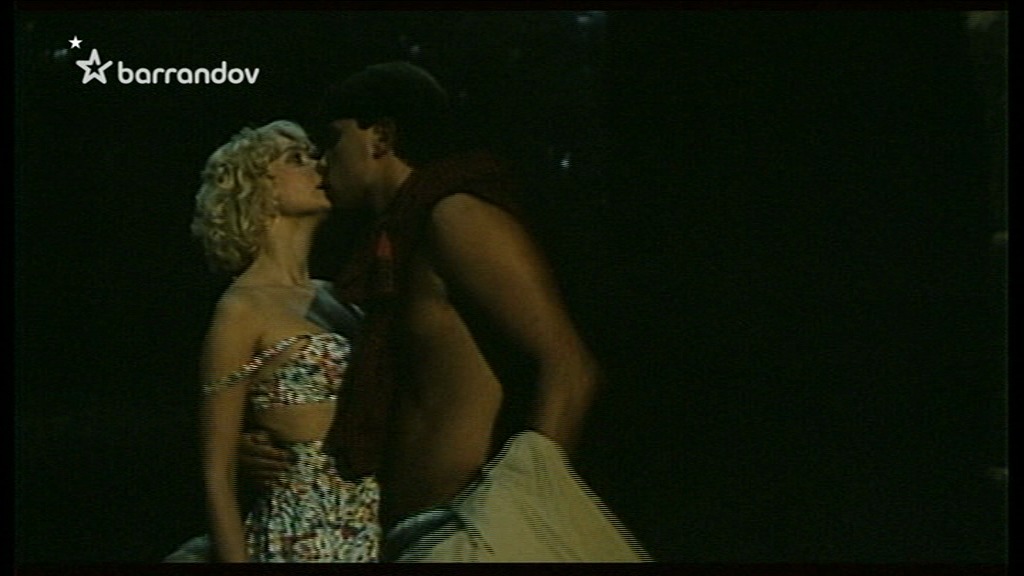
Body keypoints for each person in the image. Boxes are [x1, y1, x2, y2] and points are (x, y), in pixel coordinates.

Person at [241, 61, 650, 562]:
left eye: (333, 140)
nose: (324, 162)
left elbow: (571, 369)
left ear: (380, 136)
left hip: (470, 530)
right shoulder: (390, 248)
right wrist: (267, 447)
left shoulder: (455, 217)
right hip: (407, 534)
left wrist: (517, 517)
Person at [186, 119, 380, 562]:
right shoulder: (241, 309)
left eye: (314, 155)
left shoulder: (341, 298)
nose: (319, 166)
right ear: (260, 189)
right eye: (297, 160)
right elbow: (217, 470)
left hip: (376, 525)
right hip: (302, 539)